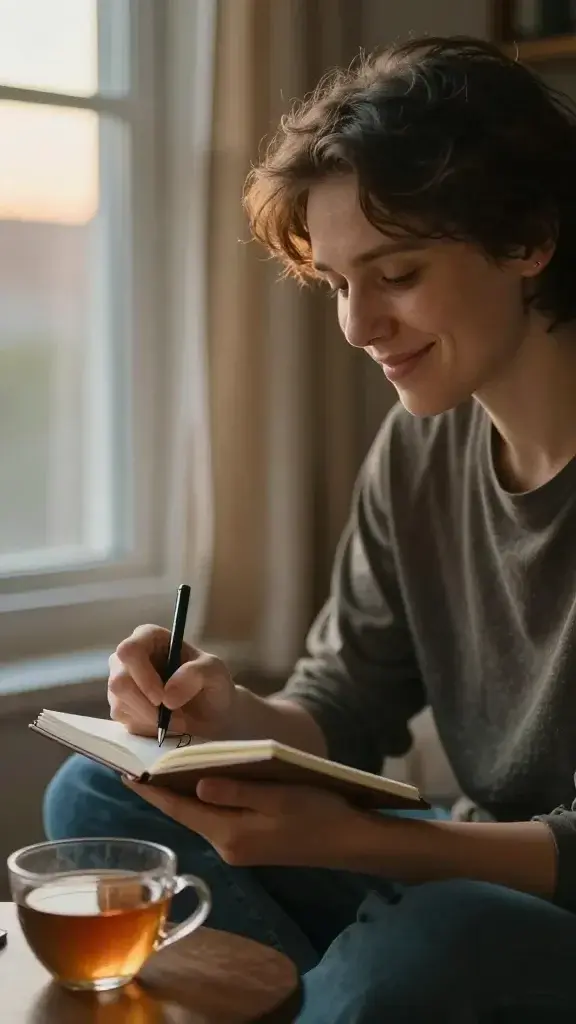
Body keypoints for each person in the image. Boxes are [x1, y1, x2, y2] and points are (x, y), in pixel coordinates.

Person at [44, 36, 576, 1021]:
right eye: (336, 283)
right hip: (461, 870)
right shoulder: (421, 451)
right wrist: (221, 718)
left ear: (527, 238)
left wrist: (357, 843)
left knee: (444, 939)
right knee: (96, 800)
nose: (358, 325)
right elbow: (346, 694)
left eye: (398, 273)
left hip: (540, 901)